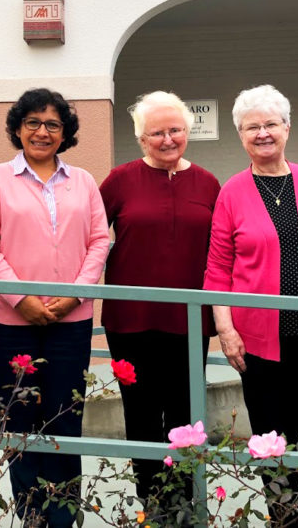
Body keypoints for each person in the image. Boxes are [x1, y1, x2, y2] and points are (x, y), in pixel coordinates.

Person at [204, 85, 298, 527]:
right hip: (262, 349)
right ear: (240, 135)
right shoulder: (231, 192)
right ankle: (283, 521)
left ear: (287, 128)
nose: (263, 133)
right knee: (274, 451)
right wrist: (226, 330)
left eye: (271, 124)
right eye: (252, 127)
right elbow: (218, 269)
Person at [0, 88, 110, 527]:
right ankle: (31, 515)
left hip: (72, 321)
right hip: (12, 322)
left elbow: (99, 241)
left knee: (66, 416)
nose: (42, 132)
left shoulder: (83, 181)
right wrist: (21, 299)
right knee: (21, 418)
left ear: (65, 133)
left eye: (53, 124)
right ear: (17, 128)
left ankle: (64, 516)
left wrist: (76, 294)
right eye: (33, 122)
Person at [99, 91, 220, 514]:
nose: (167, 139)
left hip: (190, 319)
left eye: (175, 130)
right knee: (141, 413)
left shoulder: (207, 183)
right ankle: (151, 505)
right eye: (157, 133)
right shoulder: (119, 180)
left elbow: (221, 250)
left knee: (186, 412)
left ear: (187, 132)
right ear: (141, 138)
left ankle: (185, 503)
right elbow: (92, 236)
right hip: (131, 319)